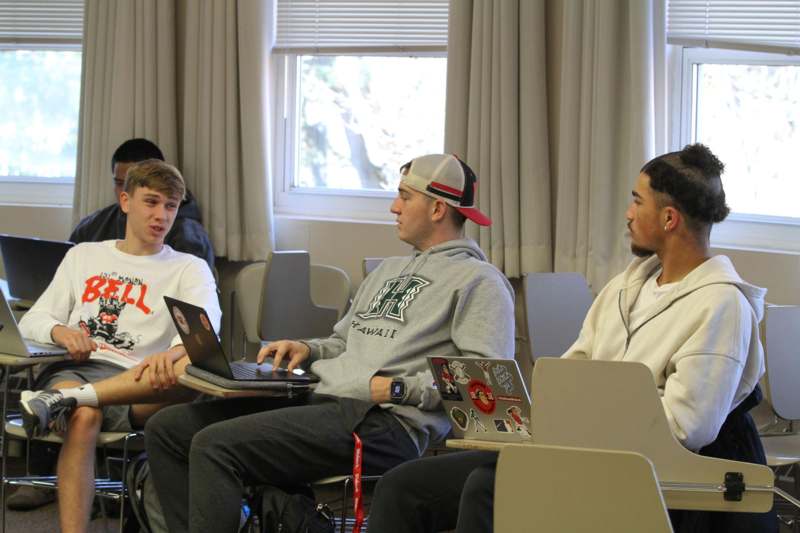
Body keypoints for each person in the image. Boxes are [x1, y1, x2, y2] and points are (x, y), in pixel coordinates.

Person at [366, 144, 777, 533]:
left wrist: (583, 426)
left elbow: (688, 428)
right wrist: (528, 418)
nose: (628, 213)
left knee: (487, 490)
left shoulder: (722, 305)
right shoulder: (625, 287)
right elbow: (571, 372)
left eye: (637, 200)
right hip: (582, 449)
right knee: (402, 487)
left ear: (669, 219)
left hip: (645, 471)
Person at [143, 153, 515, 532]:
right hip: (324, 399)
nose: (394, 206)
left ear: (437, 208)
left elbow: (481, 385)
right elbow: (342, 341)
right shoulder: (387, 270)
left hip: (384, 423)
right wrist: (309, 349)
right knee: (168, 428)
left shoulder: (480, 282)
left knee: (214, 446)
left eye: (404, 196)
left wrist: (400, 388)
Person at [18, 160, 221, 533]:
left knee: (191, 371)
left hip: (142, 381)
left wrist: (174, 352)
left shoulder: (188, 268)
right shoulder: (85, 255)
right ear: (125, 201)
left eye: (171, 206)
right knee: (85, 415)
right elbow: (32, 319)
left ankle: (70, 399)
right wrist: (63, 332)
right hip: (79, 369)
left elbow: (203, 335)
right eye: (152, 202)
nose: (161, 215)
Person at [69, 138, 215, 270]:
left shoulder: (188, 237)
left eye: (134, 184)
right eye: (120, 183)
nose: (126, 191)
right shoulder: (91, 227)